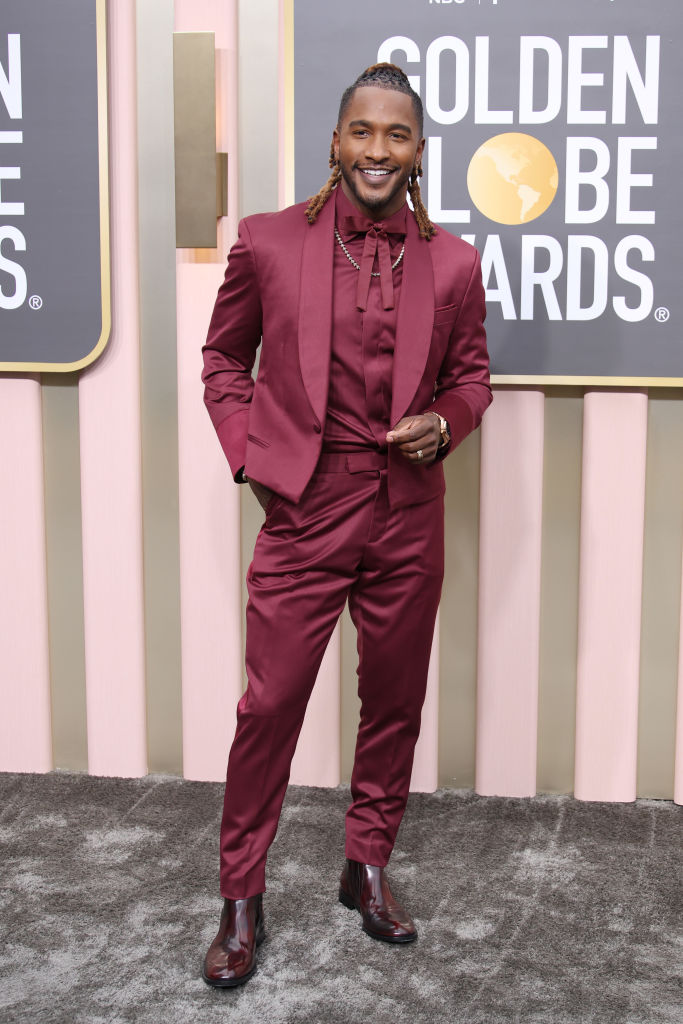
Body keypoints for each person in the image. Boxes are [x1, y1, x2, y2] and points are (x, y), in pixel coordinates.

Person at [200, 62, 491, 988]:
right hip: (305, 507)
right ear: (335, 142)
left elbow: (471, 377)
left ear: (417, 152)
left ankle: (365, 865)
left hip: (408, 510)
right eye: (362, 131)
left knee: (393, 702)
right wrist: (252, 458)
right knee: (270, 706)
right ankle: (240, 896)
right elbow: (222, 360)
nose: (377, 148)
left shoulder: (453, 262)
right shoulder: (267, 240)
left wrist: (444, 422)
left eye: (396, 134)